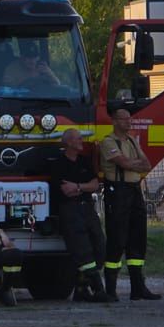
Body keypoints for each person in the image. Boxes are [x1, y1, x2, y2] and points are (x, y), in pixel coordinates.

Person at [100, 108, 160, 301]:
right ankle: (110, 289)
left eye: (130, 119)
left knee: (138, 238)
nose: (129, 122)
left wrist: (131, 163)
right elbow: (124, 163)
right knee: (117, 239)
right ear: (115, 121)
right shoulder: (109, 141)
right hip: (117, 191)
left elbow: (147, 164)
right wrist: (133, 163)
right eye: (124, 119)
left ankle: (138, 287)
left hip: (134, 190)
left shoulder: (132, 141)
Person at [52, 128, 110, 303]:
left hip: (87, 208)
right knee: (83, 250)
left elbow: (94, 184)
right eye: (78, 139)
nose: (81, 141)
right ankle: (98, 289)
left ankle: (81, 288)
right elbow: (65, 190)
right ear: (68, 142)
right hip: (70, 210)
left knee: (100, 245)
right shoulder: (58, 164)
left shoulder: (84, 161)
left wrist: (78, 187)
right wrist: (83, 186)